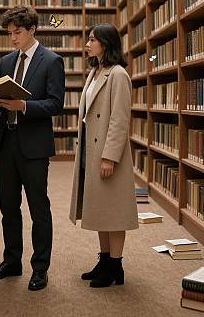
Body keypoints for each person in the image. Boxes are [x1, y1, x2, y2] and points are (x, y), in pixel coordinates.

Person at [0, 5, 65, 291]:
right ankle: (12, 261)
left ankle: (40, 268)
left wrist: (24, 106)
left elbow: (56, 104)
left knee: (38, 208)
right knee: (8, 208)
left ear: (32, 29)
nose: (13, 38)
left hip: (34, 145)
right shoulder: (6, 62)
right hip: (6, 142)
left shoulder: (52, 61)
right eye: (9, 33)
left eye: (17, 32)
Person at [69, 23, 138, 288]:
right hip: (90, 149)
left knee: (114, 211)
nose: (87, 44)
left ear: (106, 44)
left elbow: (120, 120)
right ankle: (105, 260)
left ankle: (115, 266)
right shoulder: (96, 72)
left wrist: (110, 157)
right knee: (100, 209)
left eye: (92, 39)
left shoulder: (118, 74)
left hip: (108, 154)